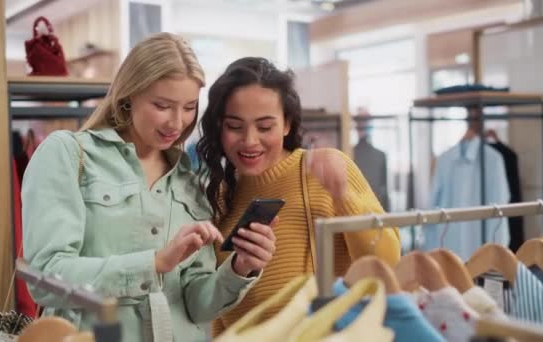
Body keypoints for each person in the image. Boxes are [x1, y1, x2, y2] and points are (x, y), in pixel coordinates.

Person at [22, 33, 276, 342]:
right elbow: (47, 277)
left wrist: (239, 269)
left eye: (189, 107)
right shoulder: (68, 154)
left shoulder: (192, 178)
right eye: (162, 105)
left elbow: (196, 305)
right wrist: (153, 264)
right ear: (129, 95)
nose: (177, 122)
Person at [197, 57, 401, 335]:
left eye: (265, 127)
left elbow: (387, 262)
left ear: (287, 124)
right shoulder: (218, 195)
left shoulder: (325, 168)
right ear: (220, 126)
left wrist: (344, 197)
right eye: (235, 126)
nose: (249, 140)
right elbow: (218, 311)